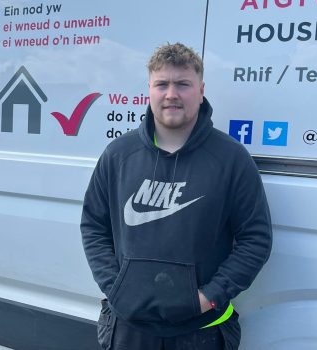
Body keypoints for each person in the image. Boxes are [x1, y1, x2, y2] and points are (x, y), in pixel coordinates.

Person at [81, 42, 272, 350]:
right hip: (128, 329)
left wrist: (208, 297)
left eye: (183, 84)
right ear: (149, 89)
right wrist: (115, 288)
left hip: (202, 330)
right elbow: (93, 226)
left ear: (201, 89)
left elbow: (256, 239)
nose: (171, 94)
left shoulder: (231, 158)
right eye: (162, 84)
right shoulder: (118, 155)